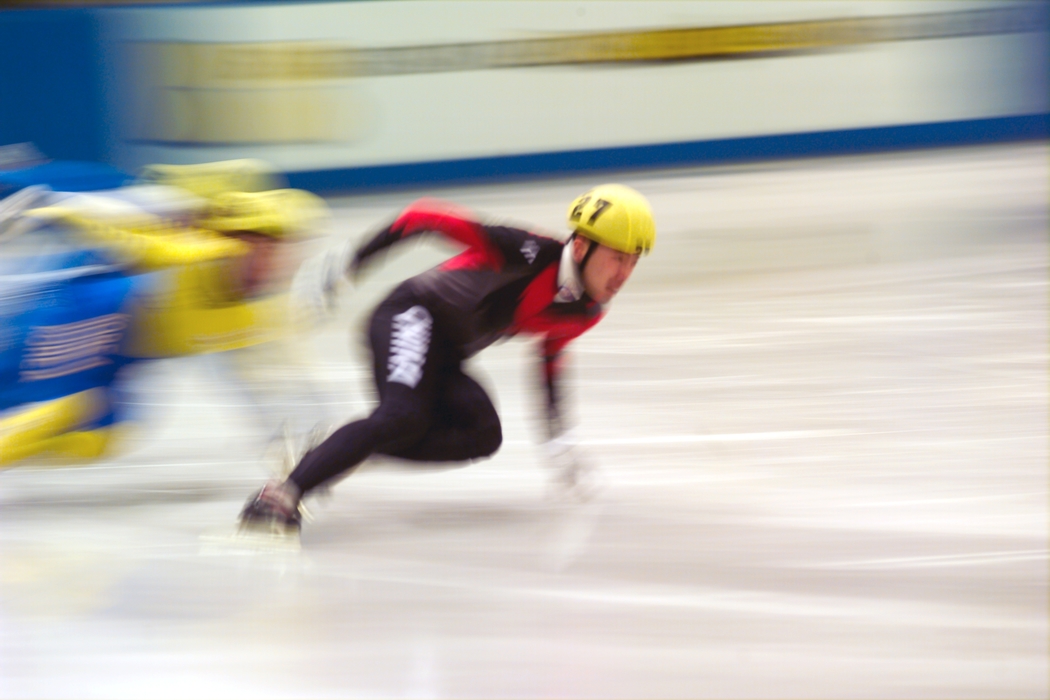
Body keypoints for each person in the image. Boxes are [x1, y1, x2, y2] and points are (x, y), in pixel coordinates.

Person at [238, 183, 656, 536]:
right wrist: (347, 265)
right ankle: (280, 494)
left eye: (634, 263)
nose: (624, 274)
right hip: (408, 314)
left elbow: (550, 361)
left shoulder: (585, 310)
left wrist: (558, 438)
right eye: (618, 258)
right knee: (402, 416)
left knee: (483, 434)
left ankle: (336, 450)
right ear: (581, 246)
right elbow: (425, 216)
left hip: (445, 353)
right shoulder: (527, 252)